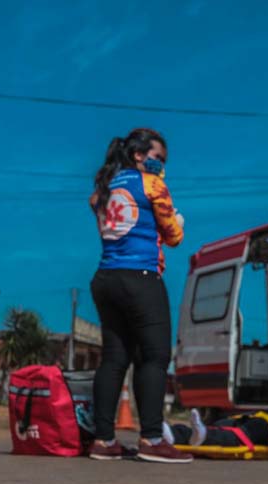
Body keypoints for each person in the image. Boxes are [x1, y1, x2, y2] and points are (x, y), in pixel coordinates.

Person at [88, 128, 191, 463]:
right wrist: (178, 221)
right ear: (138, 155)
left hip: (106, 278)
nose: (162, 165)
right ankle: (152, 439)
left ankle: (103, 441)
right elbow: (173, 236)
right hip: (141, 277)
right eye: (158, 157)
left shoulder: (102, 191)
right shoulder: (153, 185)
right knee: (155, 356)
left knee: (114, 359)